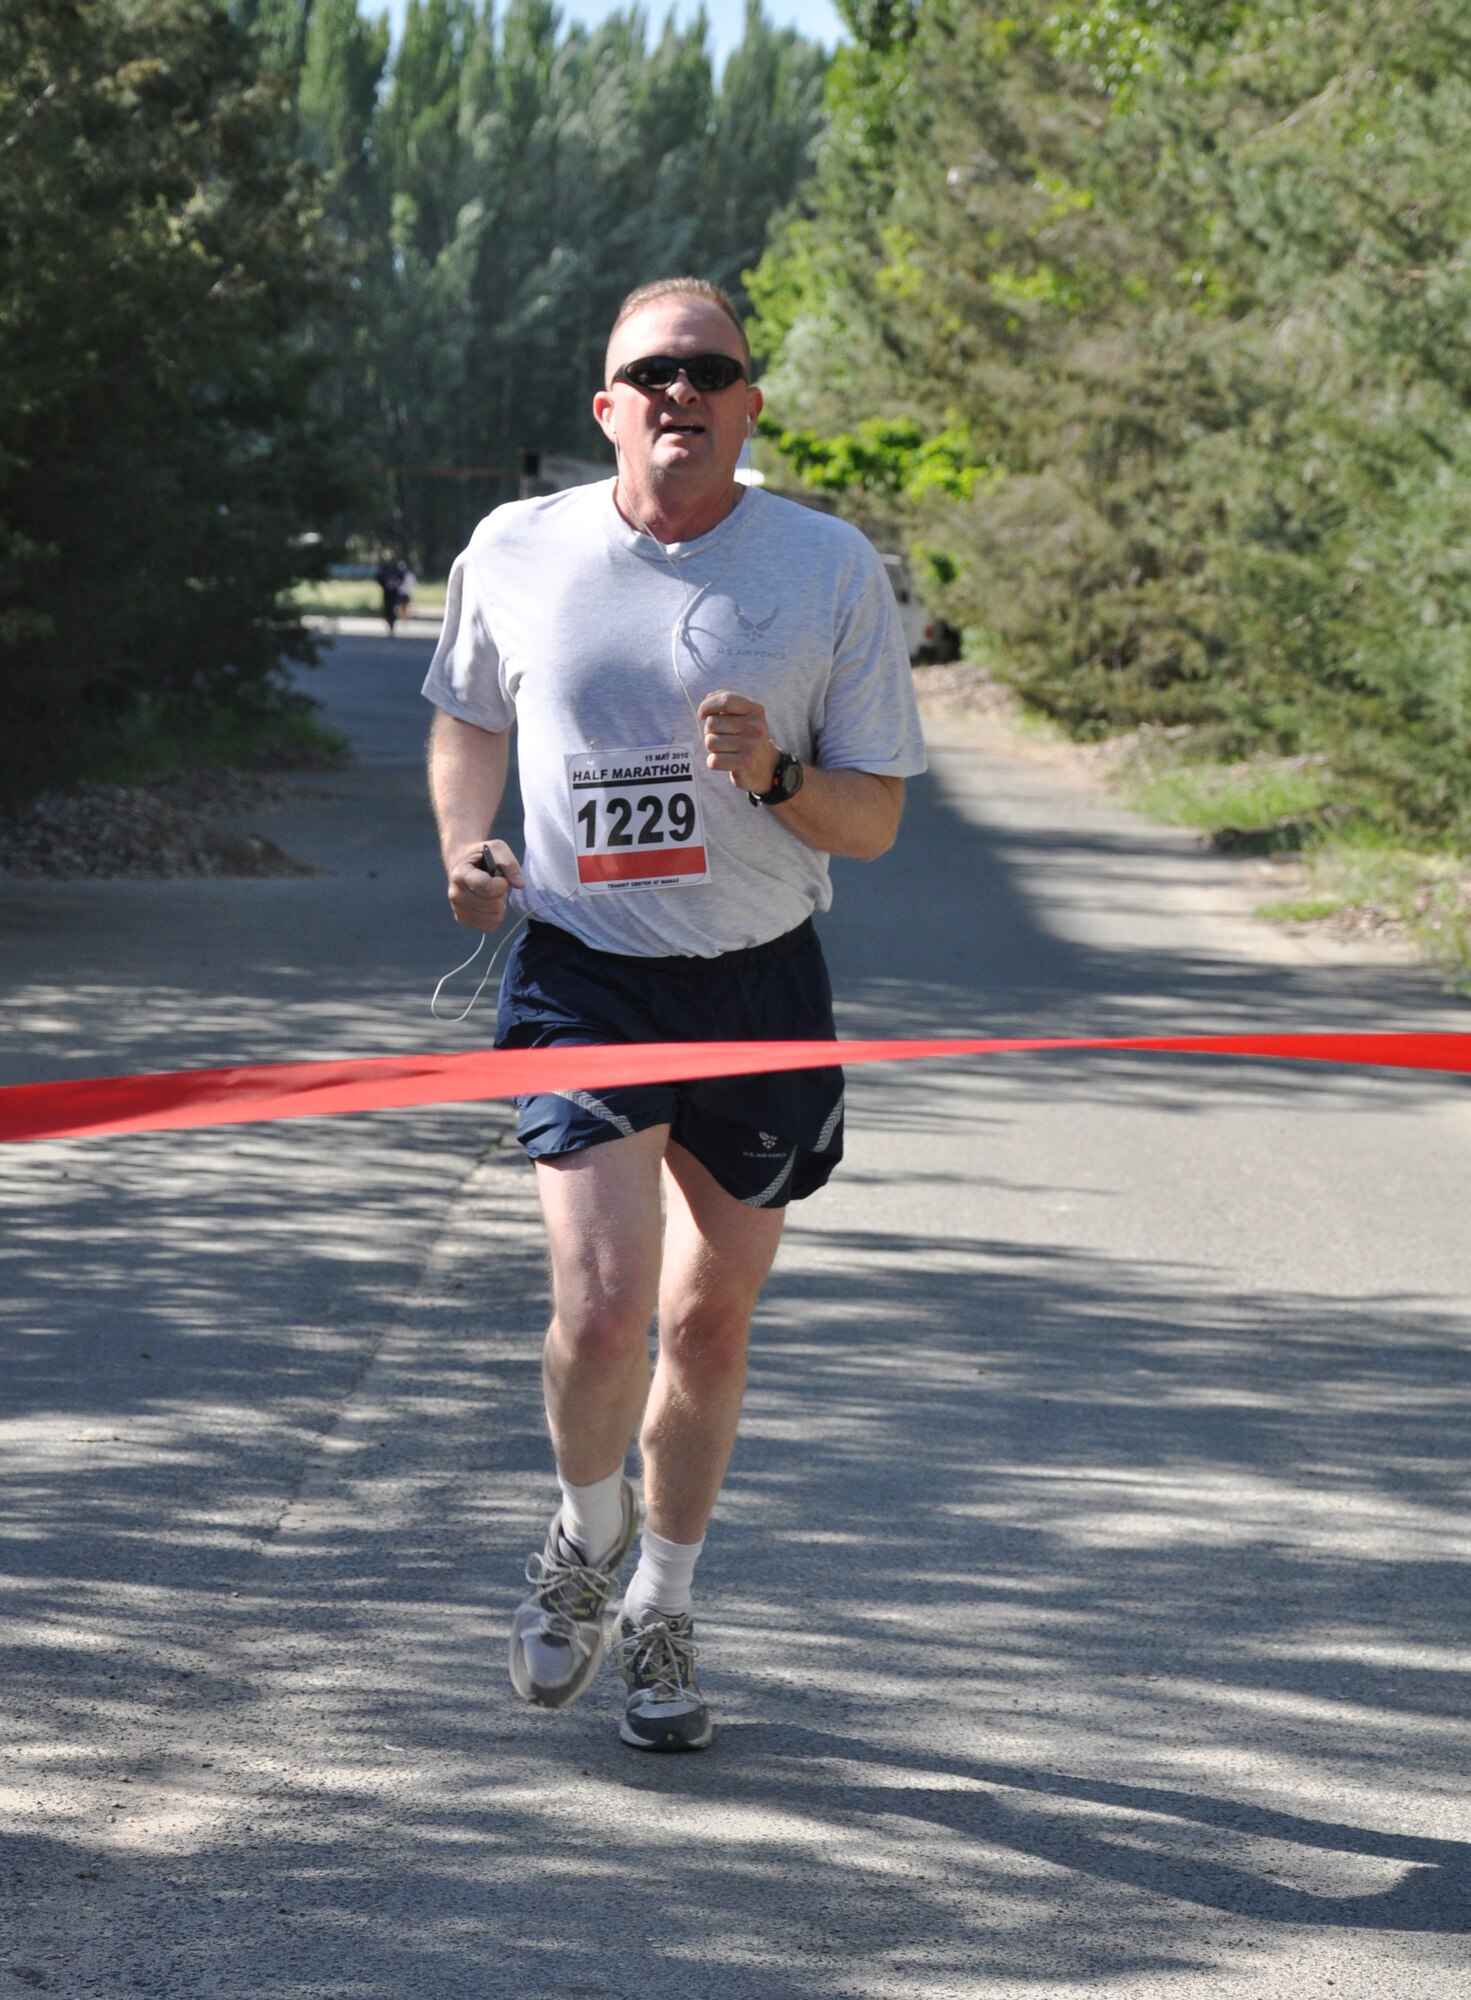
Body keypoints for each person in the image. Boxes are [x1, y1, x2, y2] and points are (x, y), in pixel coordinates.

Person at [422, 275, 927, 1752]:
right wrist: (467, 842)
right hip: (583, 970)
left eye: (709, 369)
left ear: (748, 402)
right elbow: (466, 712)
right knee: (599, 1310)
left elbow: (878, 820)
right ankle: (583, 1547)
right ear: (607, 407)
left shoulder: (826, 570)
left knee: (704, 1329)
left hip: (758, 981)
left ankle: (663, 1606)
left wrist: (773, 776)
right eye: (650, 370)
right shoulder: (517, 550)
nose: (678, 391)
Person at [375, 554, 416, 633]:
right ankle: (389, 620)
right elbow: (379, 577)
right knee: (387, 608)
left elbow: (402, 578)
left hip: (394, 592)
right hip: (387, 592)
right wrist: (384, 585)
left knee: (395, 608)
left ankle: (393, 621)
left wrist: (397, 584)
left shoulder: (397, 570)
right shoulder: (385, 570)